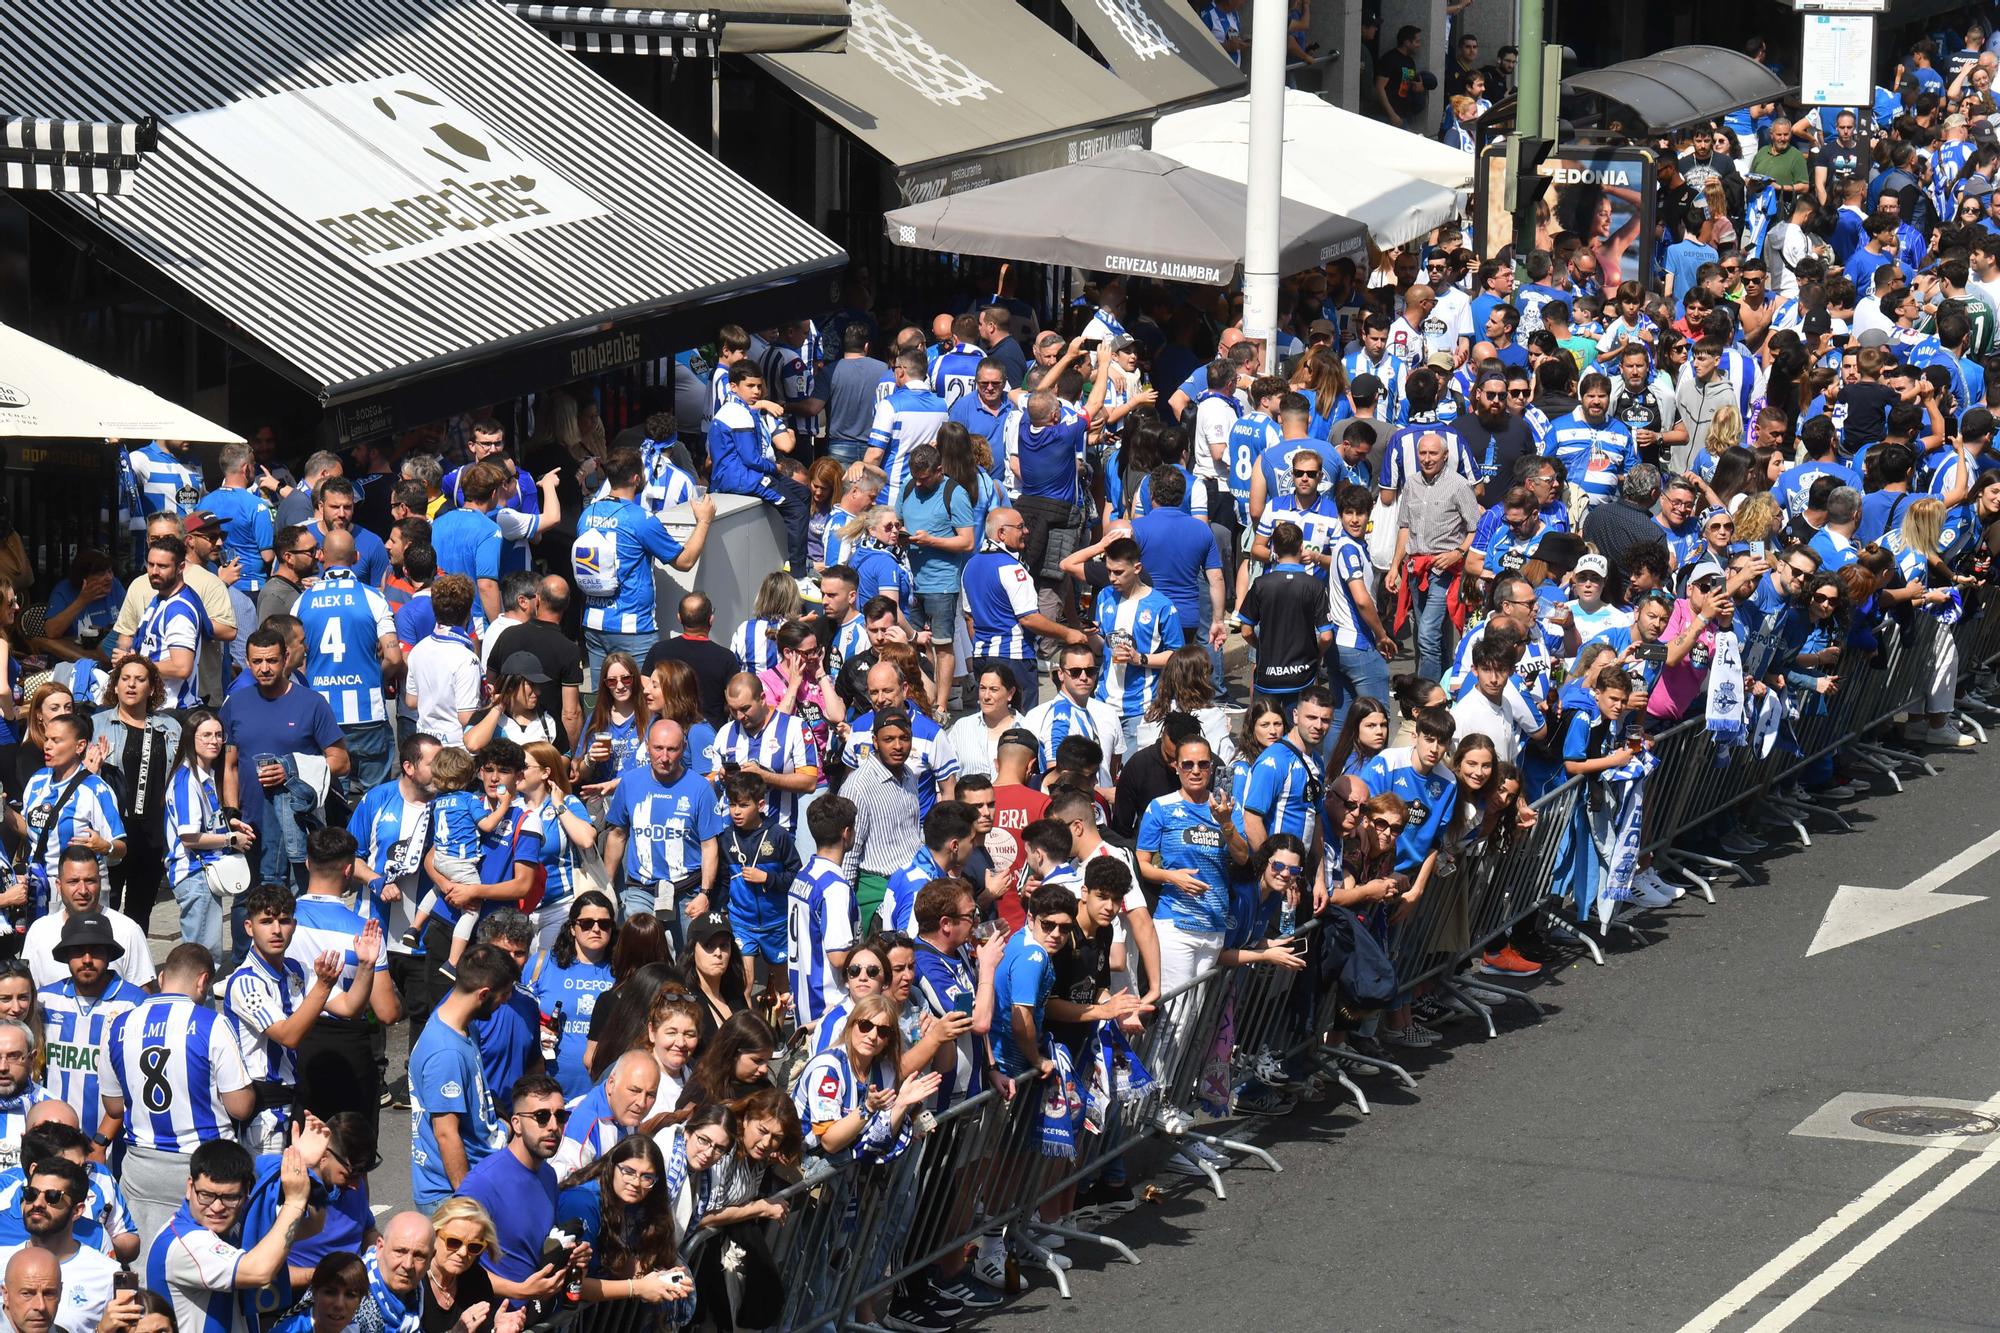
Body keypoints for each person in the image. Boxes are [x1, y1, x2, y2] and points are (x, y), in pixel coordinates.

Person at [97, 944, 254, 1248]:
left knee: (142, 1257)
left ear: (161, 976)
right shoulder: (212, 1024)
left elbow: (114, 1106)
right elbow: (240, 1107)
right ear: (203, 981)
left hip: (141, 1163)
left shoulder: (119, 1025)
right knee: (206, 1258)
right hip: (203, 1166)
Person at [222, 627, 349, 893]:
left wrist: (291, 770)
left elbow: (341, 761)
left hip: (300, 826)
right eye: (257, 661)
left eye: (272, 660)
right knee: (248, 903)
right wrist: (232, 814)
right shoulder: (235, 703)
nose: (265, 668)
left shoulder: (312, 703)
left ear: (286, 658)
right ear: (247, 662)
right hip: (251, 826)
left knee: (299, 900)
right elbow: (230, 766)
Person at [145, 1138, 314, 1333]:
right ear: (190, 1187)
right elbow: (260, 1271)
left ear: (246, 1192)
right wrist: (295, 1200)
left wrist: (310, 1169)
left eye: (230, 1197)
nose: (217, 1208)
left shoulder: (238, 1218)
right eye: (206, 1195)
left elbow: (310, 1227)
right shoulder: (184, 1242)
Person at [456, 1074, 586, 1305]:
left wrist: (569, 1254)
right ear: (516, 1123)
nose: (554, 1126)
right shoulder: (482, 1184)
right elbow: (451, 1263)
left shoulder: (548, 1174)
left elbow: (537, 1247)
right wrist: (520, 1290)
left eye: (561, 1116)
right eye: (541, 1116)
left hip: (538, 1315)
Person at [293, 531, 402, 799]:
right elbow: (394, 657)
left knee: (333, 799)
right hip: (367, 712)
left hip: (323, 714)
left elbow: (294, 660)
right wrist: (376, 678)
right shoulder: (373, 598)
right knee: (375, 798)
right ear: (356, 557)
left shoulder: (302, 601)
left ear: (321, 557)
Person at [407, 945, 514, 1209]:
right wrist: (467, 1200)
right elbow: (446, 1134)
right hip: (450, 1194)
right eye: (504, 994)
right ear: (484, 994)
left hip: (477, 1177)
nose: (507, 1000)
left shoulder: (462, 1026)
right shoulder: (447, 1053)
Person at [961, 509, 1090, 709]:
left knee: (990, 718)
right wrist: (1068, 633)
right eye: (1020, 527)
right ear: (1001, 533)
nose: (1027, 531)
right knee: (1022, 726)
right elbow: (1029, 619)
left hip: (982, 658)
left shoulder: (970, 566)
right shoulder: (1012, 568)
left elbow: (970, 619)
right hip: (1014, 659)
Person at [37, 909, 149, 1140]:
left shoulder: (136, 1004)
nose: (87, 960)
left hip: (113, 1143)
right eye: (78, 951)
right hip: (53, 1137)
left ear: (109, 955)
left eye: (96, 951)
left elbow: (139, 1082)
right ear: (66, 955)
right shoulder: (44, 1001)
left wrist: (101, 1142)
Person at [601, 720, 722, 932]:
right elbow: (617, 835)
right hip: (642, 889)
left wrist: (705, 893)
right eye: (658, 748)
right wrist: (607, 884)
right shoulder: (629, 782)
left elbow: (709, 845)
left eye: (672, 749)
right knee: (641, 951)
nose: (664, 757)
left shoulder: (700, 788)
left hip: (687, 890)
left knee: (686, 959)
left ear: (684, 748)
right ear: (647, 745)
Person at [12, 718, 125, 927]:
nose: (47, 746)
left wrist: (105, 846)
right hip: (40, 888)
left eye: (56, 740)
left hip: (80, 890)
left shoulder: (96, 789)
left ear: (79, 746)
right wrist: (5, 812)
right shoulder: (37, 780)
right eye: (47, 739)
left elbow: (120, 847)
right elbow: (28, 830)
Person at [1387, 432, 1480, 680]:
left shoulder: (1459, 485)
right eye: (1423, 453)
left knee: (1428, 633)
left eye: (1433, 454)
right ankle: (1443, 686)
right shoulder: (1412, 484)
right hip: (1417, 569)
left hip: (1445, 572)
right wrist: (1395, 566)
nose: (1427, 459)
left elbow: (1476, 529)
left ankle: (1425, 694)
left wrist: (1457, 553)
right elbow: (1404, 527)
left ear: (1445, 456)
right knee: (1428, 632)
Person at [0, 1153, 117, 1333]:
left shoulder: (107, 1274)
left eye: (53, 1197)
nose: (37, 1204)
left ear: (77, 1211)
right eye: (31, 1194)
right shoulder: (2, 1260)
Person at [167, 707, 246, 959]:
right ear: (191, 738)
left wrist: (231, 826)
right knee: (201, 956)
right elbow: (189, 837)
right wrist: (231, 839)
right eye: (207, 735)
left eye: (219, 735)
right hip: (194, 874)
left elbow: (206, 823)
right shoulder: (186, 779)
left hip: (205, 874)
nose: (214, 741)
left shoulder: (207, 775)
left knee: (205, 953)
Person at [25, 845, 155, 990]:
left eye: (90, 881)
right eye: (73, 882)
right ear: (59, 886)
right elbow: (29, 994)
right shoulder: (39, 931)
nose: (83, 890)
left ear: (100, 882)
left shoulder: (128, 930)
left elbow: (144, 996)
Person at [840, 711, 925, 932]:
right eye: (889, 739)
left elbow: (913, 833)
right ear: (875, 742)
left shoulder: (908, 775)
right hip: (877, 895)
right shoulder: (857, 786)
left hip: (913, 887)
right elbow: (848, 855)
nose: (898, 746)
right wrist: (847, 916)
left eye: (904, 738)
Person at [789, 797, 857, 1029]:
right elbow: (838, 957)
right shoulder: (834, 887)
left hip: (804, 1000)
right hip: (828, 1007)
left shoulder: (804, 874)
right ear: (846, 832)